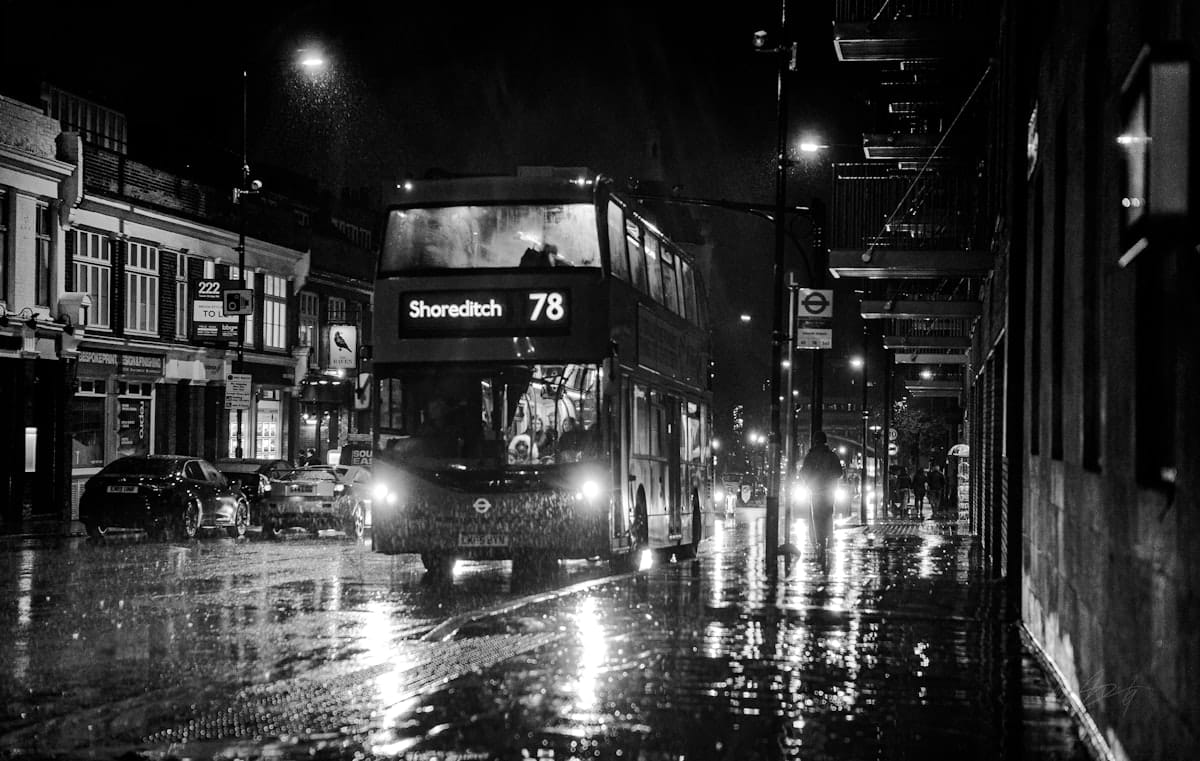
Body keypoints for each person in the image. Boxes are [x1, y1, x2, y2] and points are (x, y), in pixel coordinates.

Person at [798, 430, 844, 568]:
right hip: (829, 491)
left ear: (815, 441)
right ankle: (829, 538)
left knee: (817, 516)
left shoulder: (810, 456)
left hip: (816, 491)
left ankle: (820, 541)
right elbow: (839, 472)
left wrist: (809, 483)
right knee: (828, 514)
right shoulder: (832, 456)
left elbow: (803, 472)